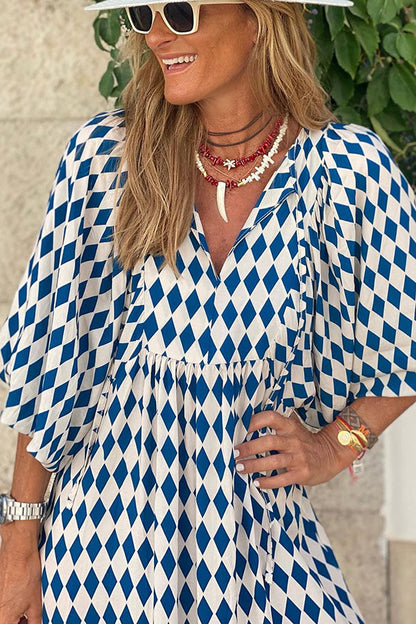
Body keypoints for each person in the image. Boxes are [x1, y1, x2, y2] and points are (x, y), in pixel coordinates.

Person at [0, 0, 415, 622]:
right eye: (142, 13)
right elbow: (52, 366)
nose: (157, 35)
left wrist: (336, 445)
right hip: (102, 552)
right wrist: (17, 545)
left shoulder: (346, 173)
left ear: (259, 18)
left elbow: (403, 341)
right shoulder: (109, 159)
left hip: (262, 550)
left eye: (179, 10)